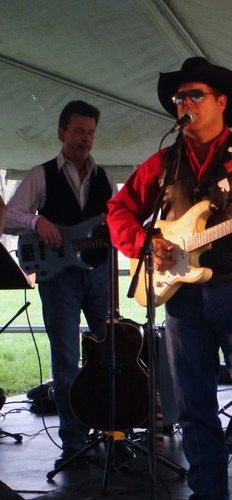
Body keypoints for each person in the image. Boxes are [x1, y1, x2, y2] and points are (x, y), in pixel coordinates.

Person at [106, 57, 232, 499]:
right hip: (182, 299)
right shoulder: (164, 162)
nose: (185, 104)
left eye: (195, 95)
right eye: (179, 98)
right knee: (193, 409)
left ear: (221, 102)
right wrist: (146, 242)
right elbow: (119, 211)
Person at [5, 100, 116, 467]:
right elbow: (8, 217)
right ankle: (73, 443)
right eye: (79, 131)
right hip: (58, 279)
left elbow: (119, 223)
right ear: (61, 132)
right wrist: (37, 222)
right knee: (66, 360)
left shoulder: (104, 179)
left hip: (99, 274)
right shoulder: (41, 175)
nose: (86, 139)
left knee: (110, 355)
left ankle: (111, 432)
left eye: (91, 133)